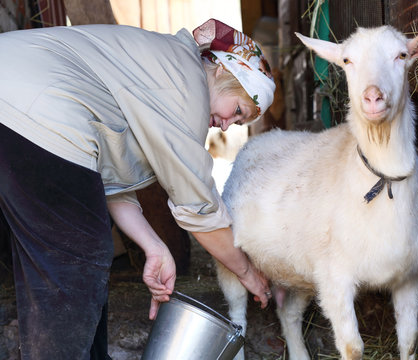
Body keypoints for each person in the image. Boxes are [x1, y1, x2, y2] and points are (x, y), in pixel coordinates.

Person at [0, 18, 275, 360]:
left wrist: (154, 246)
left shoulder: (161, 72)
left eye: (239, 123)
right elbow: (199, 207)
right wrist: (249, 274)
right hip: (33, 107)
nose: (227, 125)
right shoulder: (186, 85)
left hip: (18, 105)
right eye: (237, 111)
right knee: (76, 260)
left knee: (76, 257)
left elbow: (110, 180)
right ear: (222, 72)